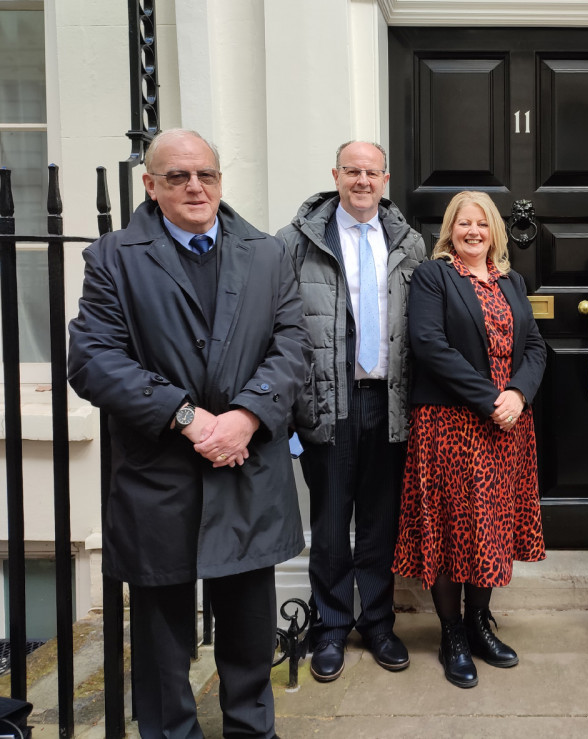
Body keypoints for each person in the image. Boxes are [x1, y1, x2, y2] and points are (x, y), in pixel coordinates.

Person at [67, 128, 310, 737]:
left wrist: (246, 416)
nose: (194, 186)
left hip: (246, 466)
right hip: (161, 473)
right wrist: (187, 417)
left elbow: (294, 344)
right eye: (177, 176)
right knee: (161, 641)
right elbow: (93, 359)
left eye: (205, 174)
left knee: (250, 631)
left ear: (221, 180)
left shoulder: (268, 251)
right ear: (150, 185)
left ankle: (251, 731)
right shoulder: (114, 257)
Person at [276, 141, 426, 683]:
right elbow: (279, 326)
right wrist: (289, 412)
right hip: (327, 399)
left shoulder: (409, 242)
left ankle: (379, 623)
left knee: (382, 522)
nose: (362, 181)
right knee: (333, 521)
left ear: (386, 178)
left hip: (388, 401)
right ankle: (332, 628)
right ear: (335, 175)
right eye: (352, 171)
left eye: (372, 172)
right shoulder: (297, 241)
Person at [393, 190, 547, 689]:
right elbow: (429, 344)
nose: (473, 231)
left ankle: (480, 624)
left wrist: (519, 394)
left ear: (495, 230)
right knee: (448, 526)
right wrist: (491, 398)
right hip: (449, 425)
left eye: (482, 223)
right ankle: (452, 632)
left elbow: (537, 347)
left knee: (490, 526)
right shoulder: (434, 276)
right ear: (450, 230)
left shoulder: (513, 280)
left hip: (506, 427)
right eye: (464, 224)